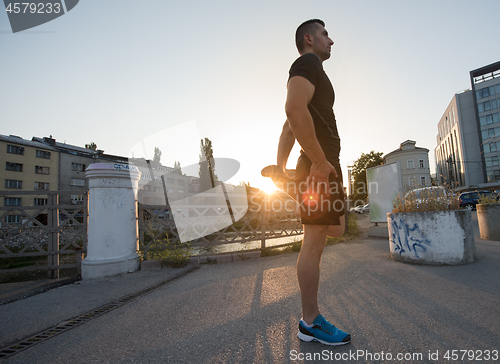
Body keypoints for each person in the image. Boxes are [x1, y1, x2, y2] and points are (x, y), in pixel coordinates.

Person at [272, 19, 350, 346]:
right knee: (314, 241)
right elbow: (292, 109)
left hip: (324, 168)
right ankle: (310, 321)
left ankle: (310, 319)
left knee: (337, 228)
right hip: (319, 167)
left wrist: (280, 168)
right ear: (309, 38)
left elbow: (291, 126)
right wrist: (317, 162)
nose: (331, 41)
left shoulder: (314, 70)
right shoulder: (306, 63)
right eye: (325, 34)